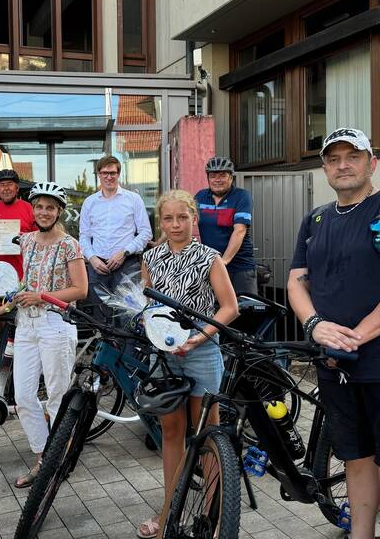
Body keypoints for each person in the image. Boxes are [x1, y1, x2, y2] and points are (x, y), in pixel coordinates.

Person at [287, 128, 380, 539]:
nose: (343, 165)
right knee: (356, 457)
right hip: (338, 369)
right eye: (334, 159)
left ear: (372, 163)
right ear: (324, 169)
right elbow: (297, 281)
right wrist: (315, 326)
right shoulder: (315, 219)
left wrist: (353, 337)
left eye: (353, 156)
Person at [138, 189, 238, 539]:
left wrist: (200, 336)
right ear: (160, 222)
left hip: (201, 352)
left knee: (208, 433)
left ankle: (213, 514)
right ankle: (168, 511)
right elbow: (145, 304)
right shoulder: (151, 259)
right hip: (163, 356)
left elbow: (229, 307)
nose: (176, 224)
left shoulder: (210, 257)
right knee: (171, 432)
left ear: (194, 219)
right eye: (169, 218)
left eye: (183, 217)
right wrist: (144, 322)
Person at [0, 182, 88, 489]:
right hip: (27, 324)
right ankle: (45, 453)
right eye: (39, 207)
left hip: (55, 326)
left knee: (58, 396)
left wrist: (42, 296)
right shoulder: (28, 241)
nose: (44, 212)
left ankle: (51, 461)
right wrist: (7, 305)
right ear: (33, 210)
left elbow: (80, 290)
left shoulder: (69, 244)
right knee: (22, 397)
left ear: (59, 211)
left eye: (50, 207)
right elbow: (25, 282)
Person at [79, 155, 152, 319]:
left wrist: (124, 252)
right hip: (97, 267)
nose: (109, 177)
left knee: (129, 315)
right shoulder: (89, 202)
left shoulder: (133, 199)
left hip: (126, 264)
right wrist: (92, 259)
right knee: (99, 318)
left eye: (112, 173)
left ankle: (129, 346)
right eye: (105, 173)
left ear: (119, 174)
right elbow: (84, 236)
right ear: (98, 174)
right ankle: (105, 345)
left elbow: (146, 232)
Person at [195, 157, 258, 295]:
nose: (217, 179)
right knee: (215, 310)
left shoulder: (242, 196)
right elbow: (183, 218)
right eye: (213, 176)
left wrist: (224, 261)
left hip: (240, 266)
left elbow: (240, 230)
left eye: (223, 175)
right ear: (208, 178)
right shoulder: (200, 196)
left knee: (247, 312)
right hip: (212, 264)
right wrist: (161, 241)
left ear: (231, 177)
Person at [0, 169, 36, 280]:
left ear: (17, 188)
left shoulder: (30, 209)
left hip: (25, 272)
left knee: (23, 298)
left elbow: (39, 239)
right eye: (2, 185)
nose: (6, 188)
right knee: (2, 298)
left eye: (10, 184)